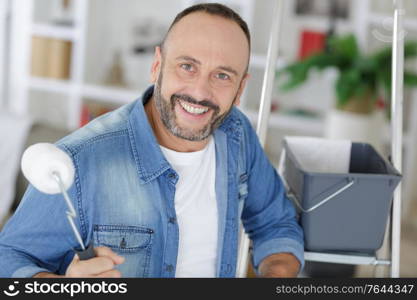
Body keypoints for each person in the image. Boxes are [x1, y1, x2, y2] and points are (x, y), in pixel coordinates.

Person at [0, 3, 304, 278]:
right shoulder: (81, 159)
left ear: (240, 89)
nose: (200, 92)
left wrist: (277, 276)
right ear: (157, 65)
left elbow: (274, 223)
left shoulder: (237, 134)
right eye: (188, 66)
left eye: (222, 75)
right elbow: (9, 257)